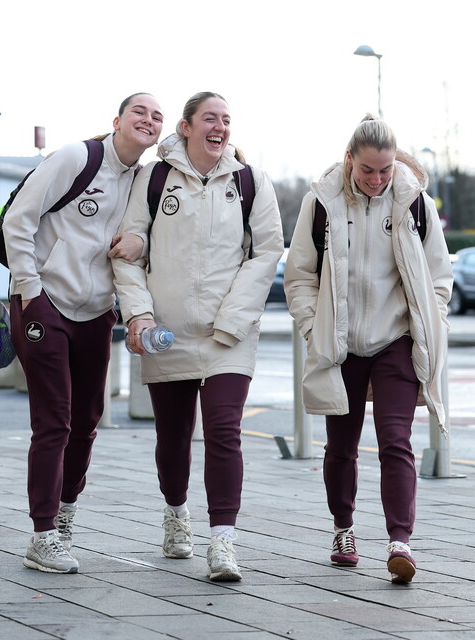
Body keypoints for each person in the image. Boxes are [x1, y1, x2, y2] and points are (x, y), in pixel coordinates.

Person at [113, 92, 284, 581]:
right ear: (186, 128)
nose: (220, 127)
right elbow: (127, 255)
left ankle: (223, 541)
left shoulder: (251, 182)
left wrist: (234, 318)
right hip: (166, 331)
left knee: (225, 432)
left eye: (227, 120)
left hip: (229, 334)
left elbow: (266, 252)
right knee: (173, 436)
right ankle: (176, 513)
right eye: (210, 118)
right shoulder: (155, 178)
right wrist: (140, 317)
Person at [283, 114, 452, 584]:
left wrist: (432, 320)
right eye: (367, 171)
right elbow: (299, 275)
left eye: (385, 170)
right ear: (350, 160)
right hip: (341, 342)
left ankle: (401, 541)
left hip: (396, 339)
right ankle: (344, 529)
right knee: (341, 445)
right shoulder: (321, 202)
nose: (377, 180)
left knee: (396, 442)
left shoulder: (414, 202)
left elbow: (439, 275)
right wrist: (312, 326)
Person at [2, 93, 164, 573]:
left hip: (96, 311)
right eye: (139, 111)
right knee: (54, 419)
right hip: (44, 303)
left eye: (157, 116)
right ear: (116, 120)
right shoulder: (76, 157)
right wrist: (29, 290)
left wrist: (143, 239)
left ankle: (66, 517)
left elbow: (150, 234)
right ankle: (43, 533)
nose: (148, 120)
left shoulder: (146, 180)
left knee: (88, 420)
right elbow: (19, 219)